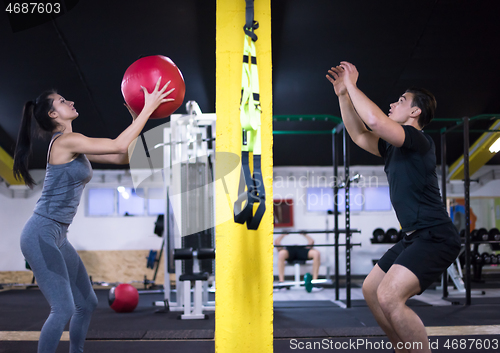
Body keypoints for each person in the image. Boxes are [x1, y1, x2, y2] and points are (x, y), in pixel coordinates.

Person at [13, 78, 174, 353]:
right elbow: (119, 145)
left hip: (57, 235)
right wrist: (148, 109)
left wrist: (137, 117)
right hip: (40, 233)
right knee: (62, 309)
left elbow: (122, 156)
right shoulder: (66, 141)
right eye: (63, 101)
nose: (71, 102)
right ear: (53, 115)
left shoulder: (76, 144)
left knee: (86, 303)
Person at [326, 63, 460, 353]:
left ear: (415, 112)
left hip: (435, 235)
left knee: (389, 296)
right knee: (372, 290)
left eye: (401, 101)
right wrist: (343, 96)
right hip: (413, 236)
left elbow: (373, 121)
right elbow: (361, 135)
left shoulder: (417, 140)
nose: (392, 103)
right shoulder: (393, 147)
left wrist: (353, 85)